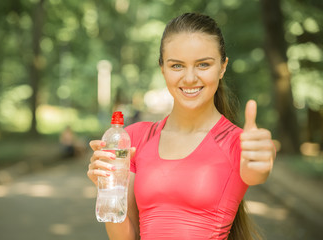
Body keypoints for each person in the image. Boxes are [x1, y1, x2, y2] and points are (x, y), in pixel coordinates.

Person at [87, 13, 276, 240]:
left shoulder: (238, 142)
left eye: (203, 64)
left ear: (222, 67)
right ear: (162, 69)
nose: (189, 78)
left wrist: (262, 156)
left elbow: (256, 170)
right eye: (177, 65)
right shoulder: (134, 137)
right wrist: (108, 190)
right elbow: (125, 237)